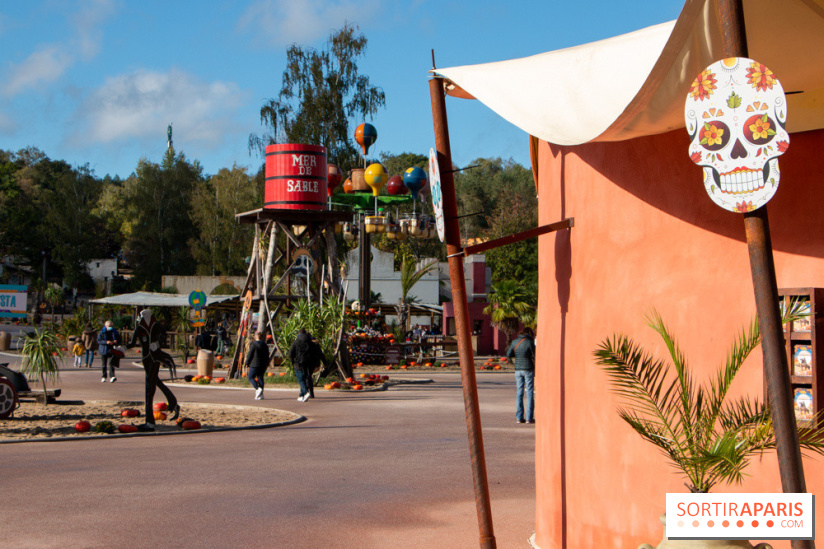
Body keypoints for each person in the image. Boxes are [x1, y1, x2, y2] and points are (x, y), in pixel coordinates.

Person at [127, 309, 180, 431]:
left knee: (150, 386)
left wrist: (156, 344)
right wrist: (120, 349)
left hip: (154, 357)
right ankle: (173, 402)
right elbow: (132, 343)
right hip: (147, 358)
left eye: (142, 315)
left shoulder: (156, 326)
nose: (140, 317)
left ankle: (150, 423)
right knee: (153, 382)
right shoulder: (140, 328)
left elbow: (163, 336)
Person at [506, 327, 536, 424]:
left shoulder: (514, 342)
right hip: (528, 369)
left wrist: (518, 356)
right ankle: (529, 418)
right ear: (529, 334)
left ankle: (519, 417)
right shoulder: (529, 342)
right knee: (530, 392)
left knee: (519, 392)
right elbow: (534, 355)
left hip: (518, 369)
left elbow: (508, 354)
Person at [289, 329, 314, 402]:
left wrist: (292, 361)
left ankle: (306, 392)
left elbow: (290, 353)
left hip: (298, 362)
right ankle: (301, 395)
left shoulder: (296, 341)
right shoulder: (310, 342)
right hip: (308, 362)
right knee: (306, 377)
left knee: (300, 379)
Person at [245, 331, 269, 400]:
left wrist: (247, 363)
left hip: (254, 363)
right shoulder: (264, 345)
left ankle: (258, 388)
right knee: (260, 377)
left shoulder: (254, 344)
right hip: (262, 364)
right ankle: (261, 394)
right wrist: (267, 363)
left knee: (250, 377)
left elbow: (250, 354)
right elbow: (267, 355)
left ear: (255, 336)